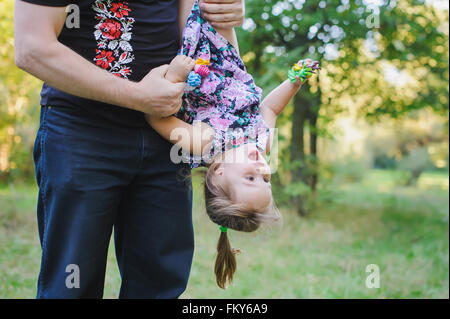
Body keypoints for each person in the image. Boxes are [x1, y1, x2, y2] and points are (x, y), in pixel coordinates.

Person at [14, 0, 245, 298]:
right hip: (81, 130)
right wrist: (139, 97)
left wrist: (222, 20)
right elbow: (32, 48)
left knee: (159, 284)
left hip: (169, 133)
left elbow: (201, 31)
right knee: (72, 284)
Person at [145, 0, 321, 289]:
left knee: (192, 5)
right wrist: (294, 82)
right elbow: (271, 110)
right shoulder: (261, 143)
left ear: (219, 172)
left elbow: (156, 116)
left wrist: (175, 74)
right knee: (217, 5)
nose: (262, 167)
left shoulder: (203, 143)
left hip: (192, 59)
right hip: (227, 55)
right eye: (265, 178)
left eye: (250, 177)